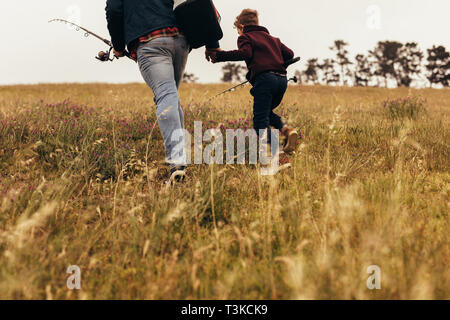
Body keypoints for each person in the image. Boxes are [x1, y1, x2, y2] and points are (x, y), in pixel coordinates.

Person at [106, 0, 221, 183]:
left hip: (149, 42)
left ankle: (177, 164)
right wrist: (212, 43)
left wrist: (118, 47)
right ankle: (180, 159)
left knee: (166, 95)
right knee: (171, 97)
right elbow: (198, 3)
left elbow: (113, 10)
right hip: (180, 39)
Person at [209, 9, 299, 158]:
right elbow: (290, 54)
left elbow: (245, 53)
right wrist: (277, 62)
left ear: (242, 26)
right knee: (265, 113)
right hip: (282, 81)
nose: (238, 34)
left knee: (259, 122)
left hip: (265, 81)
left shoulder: (245, 37)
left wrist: (219, 56)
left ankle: (279, 157)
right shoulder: (273, 39)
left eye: (238, 30)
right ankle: (287, 130)